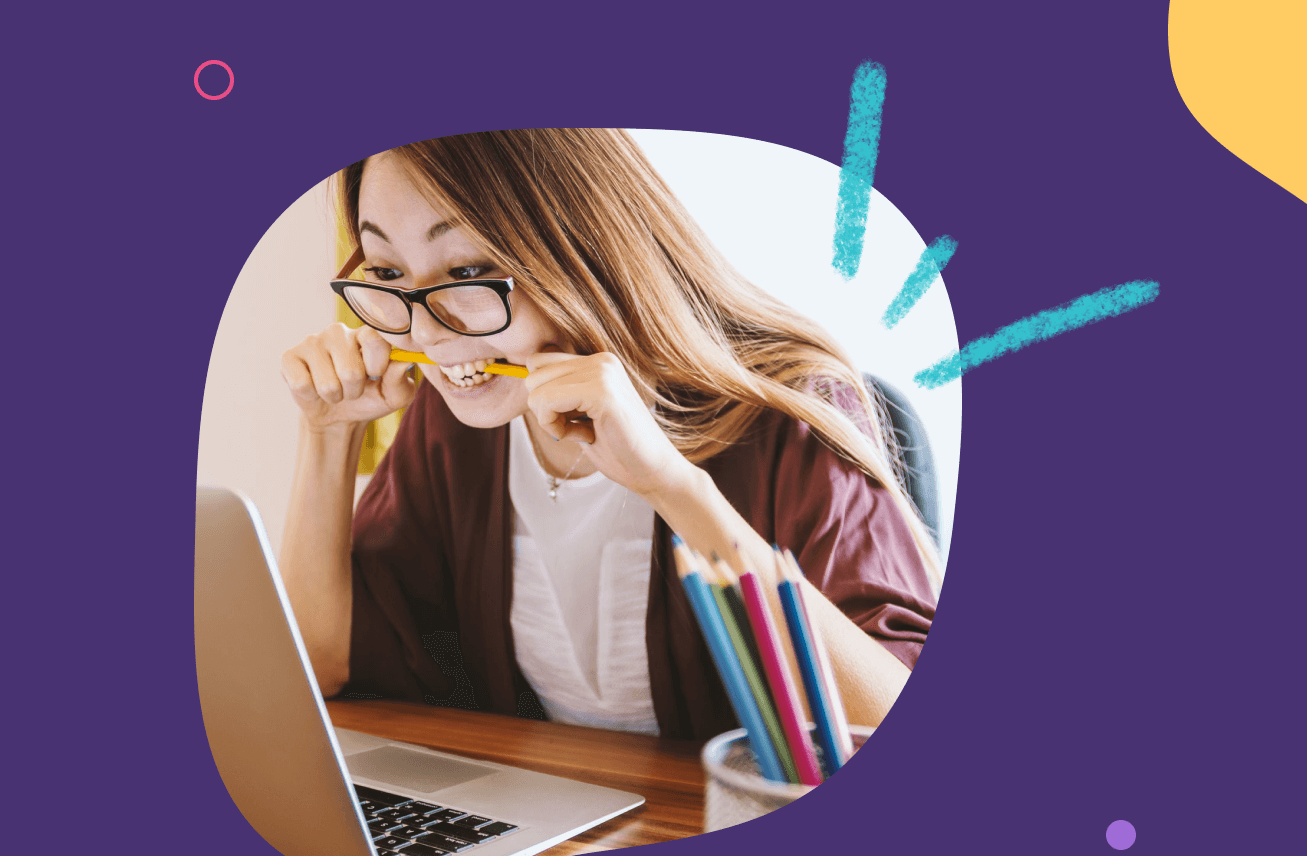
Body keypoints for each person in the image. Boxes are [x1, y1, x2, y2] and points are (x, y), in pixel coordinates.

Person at [276, 128, 937, 742]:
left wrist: (670, 485)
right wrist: (326, 435)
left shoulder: (789, 417)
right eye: (389, 274)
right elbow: (321, 665)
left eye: (470, 272)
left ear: (582, 247)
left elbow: (885, 720)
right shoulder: (456, 423)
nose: (424, 334)